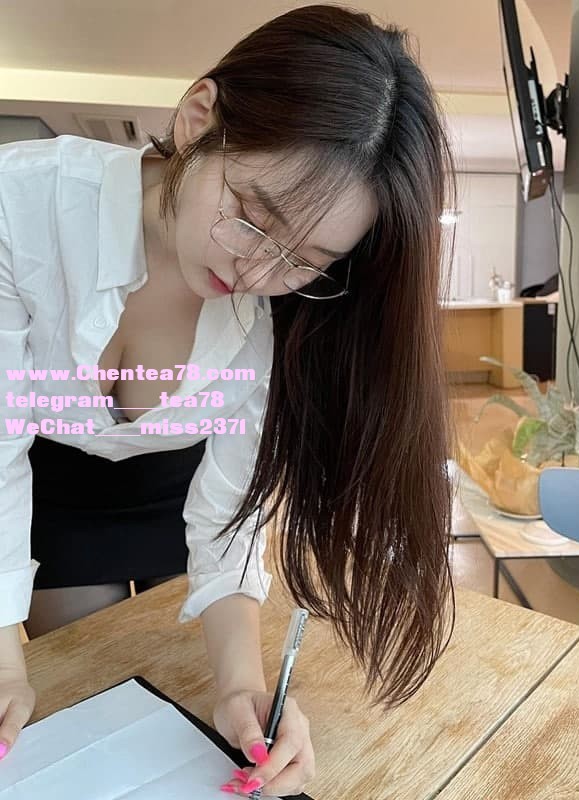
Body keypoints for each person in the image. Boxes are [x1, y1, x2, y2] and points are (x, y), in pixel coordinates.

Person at [0, 4, 457, 797]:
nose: (258, 273)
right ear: (198, 117)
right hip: (46, 478)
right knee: (72, 689)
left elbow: (230, 515)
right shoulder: (21, 205)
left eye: (306, 260)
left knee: (178, 699)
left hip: (180, 480)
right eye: (252, 217)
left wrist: (245, 689)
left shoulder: (294, 313)